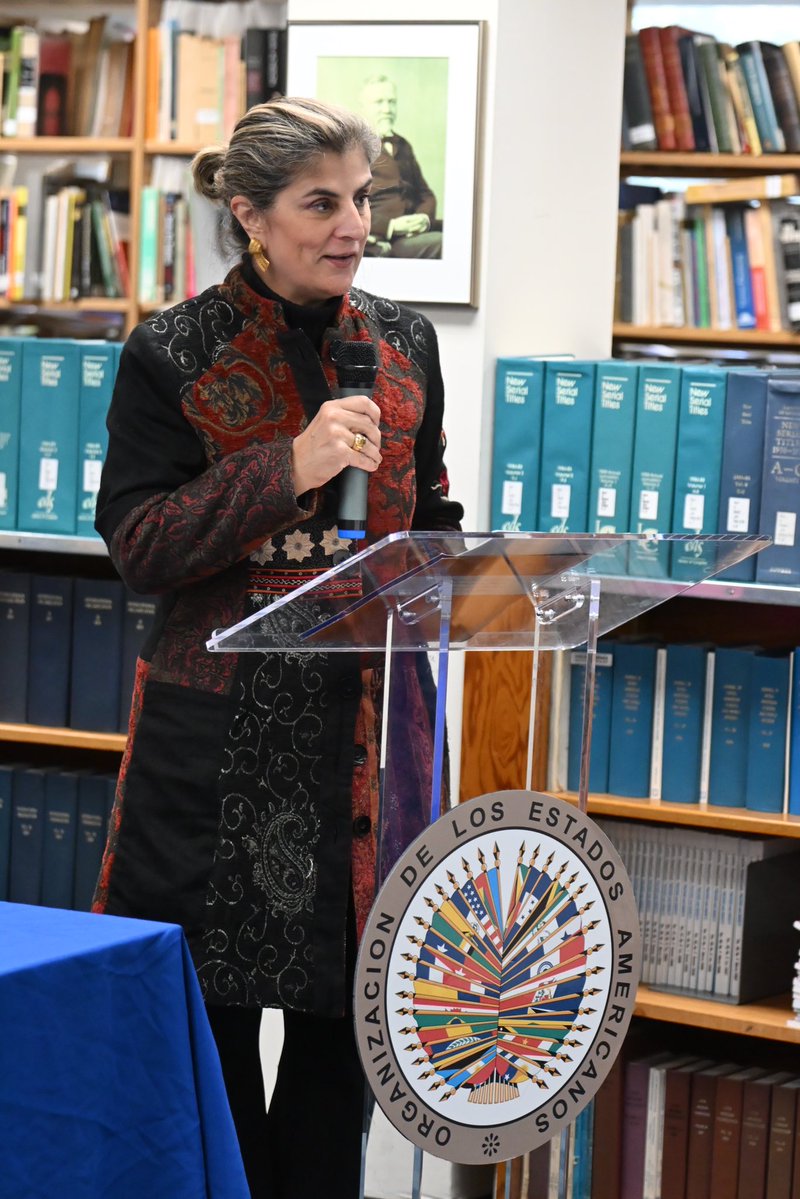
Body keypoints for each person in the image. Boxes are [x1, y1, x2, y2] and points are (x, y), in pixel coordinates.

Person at [91, 96, 463, 1199]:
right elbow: (141, 543)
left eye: (360, 198)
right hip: (216, 749)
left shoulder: (403, 341)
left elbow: (427, 503)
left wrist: (459, 564)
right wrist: (287, 465)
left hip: (367, 738)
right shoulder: (171, 351)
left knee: (341, 1048)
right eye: (321, 203)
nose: (353, 223)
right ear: (252, 214)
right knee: (206, 1044)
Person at [359, 74, 443, 259]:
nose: (387, 109)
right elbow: (350, 204)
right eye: (379, 102)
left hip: (414, 231)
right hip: (382, 238)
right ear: (364, 108)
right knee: (443, 244)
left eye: (392, 102)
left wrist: (423, 219)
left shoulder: (403, 145)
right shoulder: (354, 148)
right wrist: (391, 227)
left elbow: (426, 194)